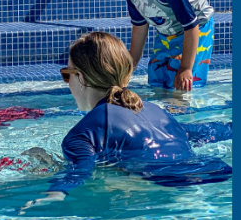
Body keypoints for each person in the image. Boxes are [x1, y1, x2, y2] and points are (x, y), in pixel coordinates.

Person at [29, 32, 231, 205]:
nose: (67, 83)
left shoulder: (84, 133)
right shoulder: (156, 111)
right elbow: (206, 132)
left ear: (81, 78)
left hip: (164, 185)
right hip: (215, 172)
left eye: (67, 75)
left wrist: (49, 192)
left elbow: (78, 173)